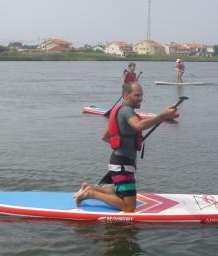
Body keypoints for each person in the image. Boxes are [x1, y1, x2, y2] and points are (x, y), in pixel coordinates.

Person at [75, 81, 178, 212]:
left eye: (141, 95)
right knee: (129, 207)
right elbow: (139, 126)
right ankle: (91, 194)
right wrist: (162, 115)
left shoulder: (119, 110)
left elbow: (106, 136)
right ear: (125, 94)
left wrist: (124, 145)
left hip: (120, 160)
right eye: (136, 95)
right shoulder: (127, 111)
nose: (140, 98)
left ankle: (90, 188)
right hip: (122, 163)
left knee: (118, 188)